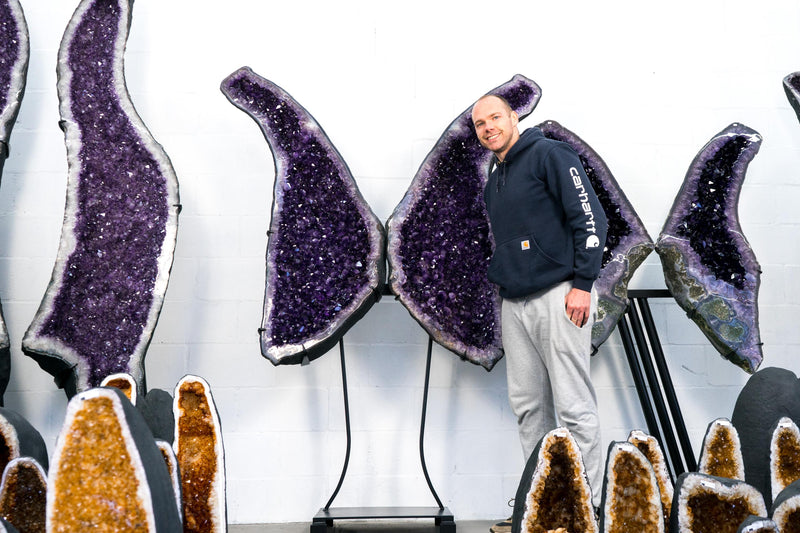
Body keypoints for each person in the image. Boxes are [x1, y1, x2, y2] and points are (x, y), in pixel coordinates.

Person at [471, 94, 608, 532]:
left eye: (495, 117)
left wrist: (583, 284)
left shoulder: (550, 154)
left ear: (514, 117)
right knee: (529, 407)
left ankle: (588, 509)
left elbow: (591, 219)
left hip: (561, 294)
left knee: (573, 405)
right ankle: (542, 506)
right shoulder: (496, 179)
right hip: (515, 303)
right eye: (480, 123)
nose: (488, 126)